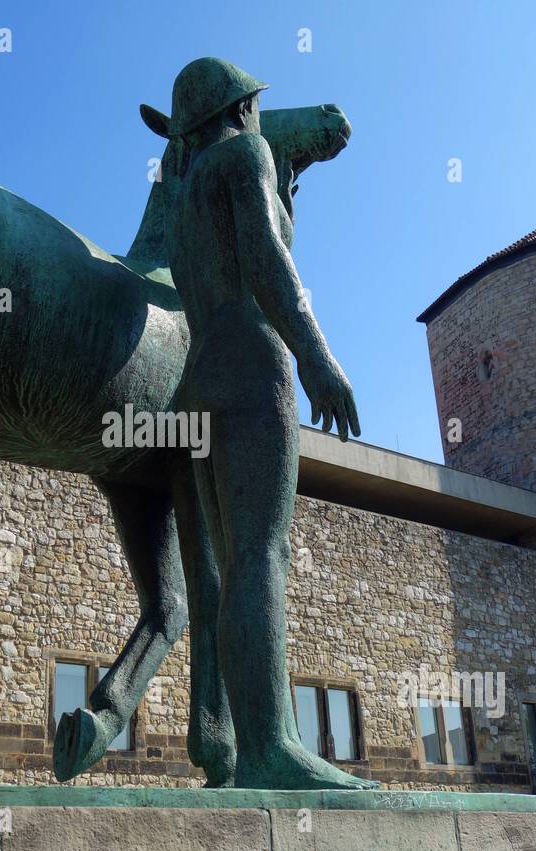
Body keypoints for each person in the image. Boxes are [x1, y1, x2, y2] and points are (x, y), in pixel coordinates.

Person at [143, 58, 372, 789]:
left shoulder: (181, 201)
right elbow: (270, 263)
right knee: (262, 557)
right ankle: (271, 749)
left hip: (198, 386)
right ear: (241, 111)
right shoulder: (247, 155)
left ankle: (256, 748)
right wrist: (317, 357)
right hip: (251, 373)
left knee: (233, 565)